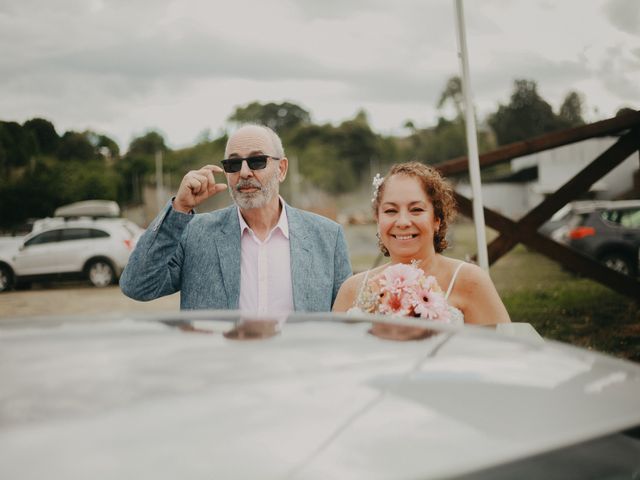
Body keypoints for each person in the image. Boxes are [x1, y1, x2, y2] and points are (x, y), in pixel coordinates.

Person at [120, 124, 352, 314]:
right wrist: (179, 209)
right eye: (233, 164)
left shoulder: (328, 237)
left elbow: (345, 322)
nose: (244, 172)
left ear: (281, 169)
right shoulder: (195, 233)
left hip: (297, 370)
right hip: (223, 370)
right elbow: (137, 286)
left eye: (257, 161)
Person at [333, 161, 510, 325]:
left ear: (437, 220)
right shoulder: (352, 288)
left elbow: (502, 352)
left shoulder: (470, 280)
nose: (402, 222)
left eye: (416, 210)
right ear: (378, 219)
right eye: (390, 210)